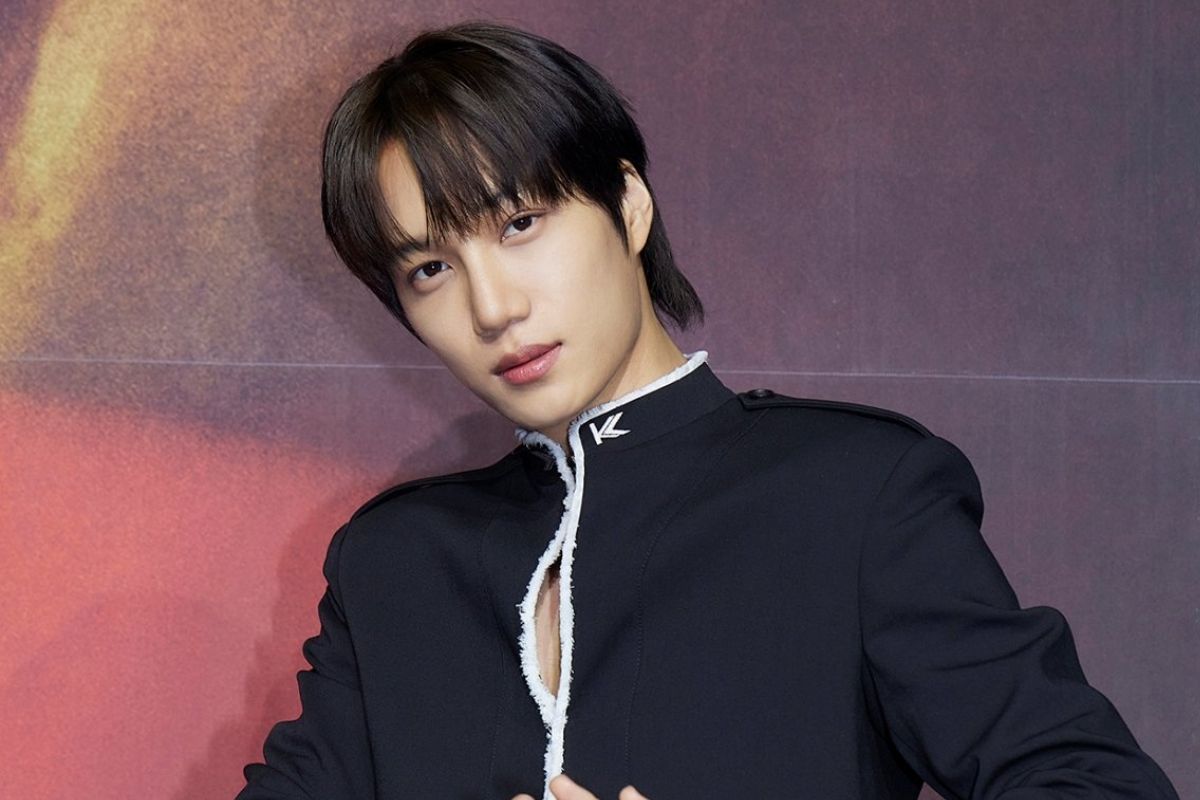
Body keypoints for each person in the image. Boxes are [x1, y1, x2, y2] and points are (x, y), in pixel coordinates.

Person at [237, 20, 1179, 800]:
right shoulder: (394, 563)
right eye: (431, 269)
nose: (492, 308)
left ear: (628, 205)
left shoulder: (851, 494)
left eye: (520, 224)